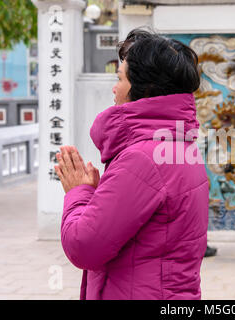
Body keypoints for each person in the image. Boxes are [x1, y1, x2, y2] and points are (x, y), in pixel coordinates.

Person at [54, 29, 209, 300]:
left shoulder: (142, 159)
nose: (114, 88)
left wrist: (78, 192)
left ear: (144, 89)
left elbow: (83, 245)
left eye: (120, 78)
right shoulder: (180, 146)